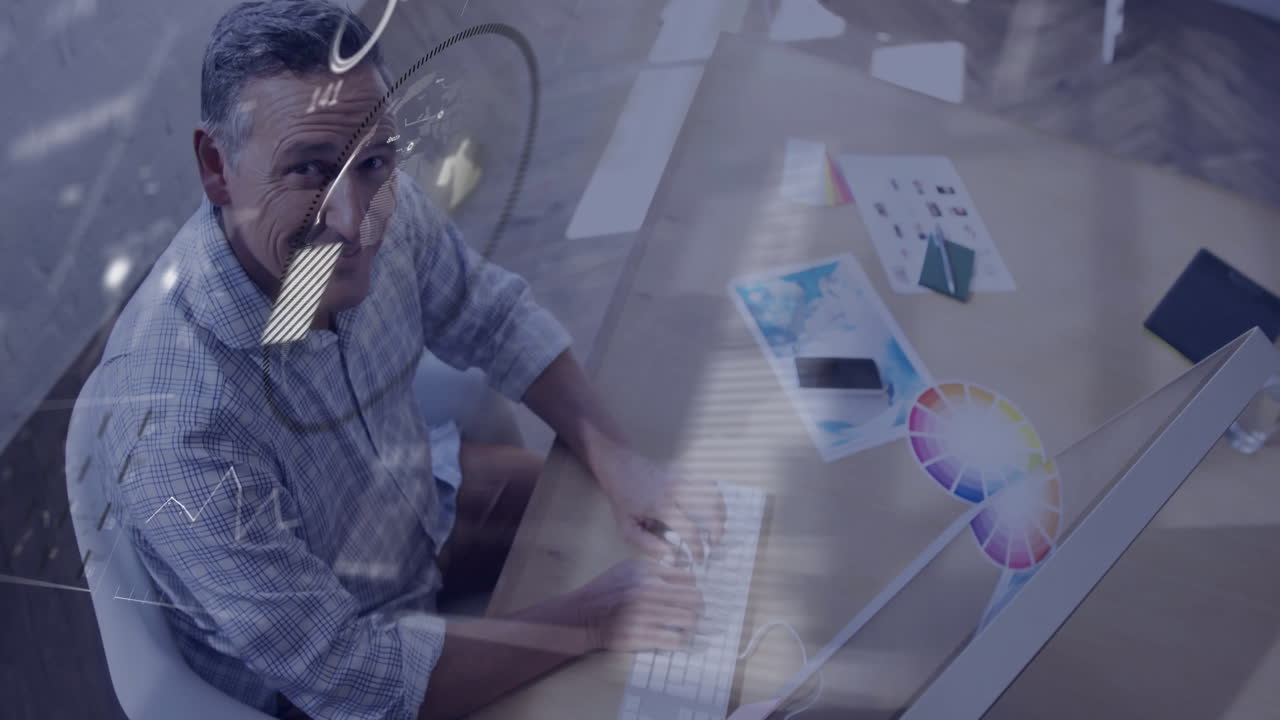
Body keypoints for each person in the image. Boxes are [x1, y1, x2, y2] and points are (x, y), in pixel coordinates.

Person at [65, 2, 724, 718]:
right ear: (215, 168)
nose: (356, 221)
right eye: (309, 170)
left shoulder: (378, 196)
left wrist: (620, 460)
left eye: (375, 161)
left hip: (410, 512)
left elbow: (491, 314)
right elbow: (353, 678)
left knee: (641, 518)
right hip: (320, 681)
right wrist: (591, 619)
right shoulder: (174, 424)